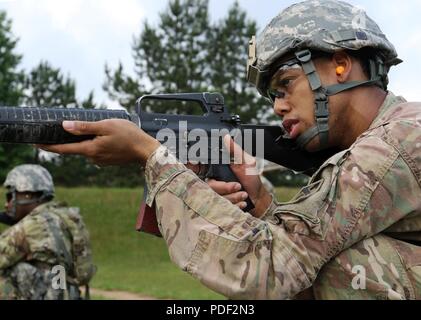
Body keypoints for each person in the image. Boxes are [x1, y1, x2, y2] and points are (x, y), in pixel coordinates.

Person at [40, 0, 421, 300]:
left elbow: (270, 268)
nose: (278, 106)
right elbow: (301, 247)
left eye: (286, 84)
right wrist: (259, 202)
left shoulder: (396, 143)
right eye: (273, 96)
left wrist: (150, 155)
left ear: (340, 65)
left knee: (337, 266)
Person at [0, 164, 96, 300]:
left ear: (28, 195)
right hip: (69, 294)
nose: (7, 204)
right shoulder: (68, 218)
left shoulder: (29, 227)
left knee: (9, 270)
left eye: (11, 196)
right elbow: (84, 274)